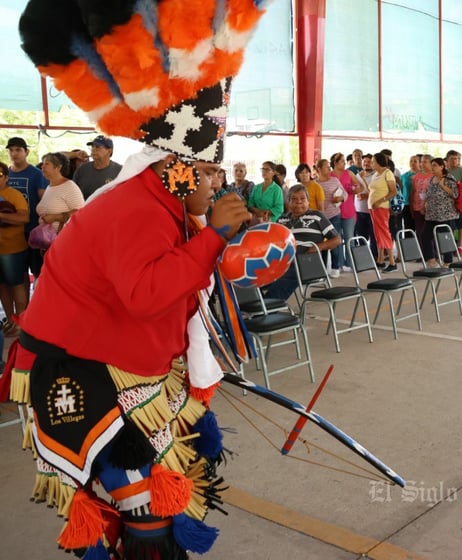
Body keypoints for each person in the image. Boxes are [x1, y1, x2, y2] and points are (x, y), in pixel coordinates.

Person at [10, 1, 268, 557]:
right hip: (81, 367)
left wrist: (214, 238)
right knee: (143, 500)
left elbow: (169, 291)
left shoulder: (167, 207)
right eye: (207, 172)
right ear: (175, 167)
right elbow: (147, 294)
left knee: (160, 487)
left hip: (120, 362)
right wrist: (212, 238)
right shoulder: (136, 208)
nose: (215, 183)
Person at [264, 185, 342, 301]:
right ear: (288, 202)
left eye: (302, 199)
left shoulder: (317, 216)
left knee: (288, 273)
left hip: (308, 263)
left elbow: (337, 240)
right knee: (257, 276)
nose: (298, 202)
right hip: (283, 262)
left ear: (308, 201)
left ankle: (267, 306)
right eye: (294, 199)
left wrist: (316, 248)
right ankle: (259, 305)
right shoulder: (282, 220)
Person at [5, 136, 48, 279]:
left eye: (18, 150)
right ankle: (23, 302)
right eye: (11, 150)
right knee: (18, 274)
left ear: (27, 152)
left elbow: (44, 202)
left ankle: (39, 300)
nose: (14, 153)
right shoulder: (5, 175)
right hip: (11, 233)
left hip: (33, 230)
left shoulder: (37, 174)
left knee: (38, 271)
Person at [0, 162, 30, 338]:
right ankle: (10, 320)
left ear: (6, 177)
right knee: (2, 286)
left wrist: (2, 216)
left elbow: (24, 217)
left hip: (13, 248)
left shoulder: (14, 195)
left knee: (17, 283)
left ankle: (21, 322)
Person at [422, 157, 459, 266]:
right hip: (431, 214)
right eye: (431, 165)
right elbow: (428, 193)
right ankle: (431, 260)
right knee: (425, 235)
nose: (432, 167)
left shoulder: (449, 178)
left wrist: (443, 186)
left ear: (442, 167)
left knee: (445, 238)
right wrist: (424, 205)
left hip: (445, 215)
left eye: (434, 165)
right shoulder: (432, 178)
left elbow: (455, 194)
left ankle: (447, 262)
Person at [330, 152, 364, 271]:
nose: (345, 163)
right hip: (334, 211)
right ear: (335, 163)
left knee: (349, 237)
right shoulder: (329, 175)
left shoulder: (349, 173)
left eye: (345, 161)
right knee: (337, 238)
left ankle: (351, 263)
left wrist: (354, 190)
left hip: (348, 210)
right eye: (342, 161)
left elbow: (361, 186)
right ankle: (338, 263)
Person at [36, 152, 85, 232]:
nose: (42, 167)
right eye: (43, 164)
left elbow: (80, 213)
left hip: (64, 238)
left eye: (47, 164)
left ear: (58, 167)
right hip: (49, 240)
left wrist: (55, 217)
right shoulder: (49, 187)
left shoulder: (69, 186)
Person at [314, 158, 347, 277]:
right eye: (326, 167)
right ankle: (321, 269)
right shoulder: (315, 184)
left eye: (329, 166)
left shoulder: (334, 180)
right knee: (321, 243)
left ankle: (335, 267)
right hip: (320, 218)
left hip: (334, 215)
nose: (329, 169)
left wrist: (340, 198)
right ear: (319, 169)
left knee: (335, 241)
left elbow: (345, 194)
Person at [368, 152, 398, 272]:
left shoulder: (388, 173)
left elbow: (393, 191)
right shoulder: (375, 174)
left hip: (381, 207)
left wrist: (380, 201)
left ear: (379, 162)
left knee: (384, 233)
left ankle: (392, 262)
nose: (371, 163)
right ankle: (380, 260)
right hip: (373, 208)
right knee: (378, 234)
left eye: (373, 161)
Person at [73, 135, 122, 199]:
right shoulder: (82, 169)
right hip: (85, 208)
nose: (93, 149)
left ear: (109, 151)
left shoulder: (120, 171)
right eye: (92, 147)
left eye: (97, 147)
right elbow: (72, 194)